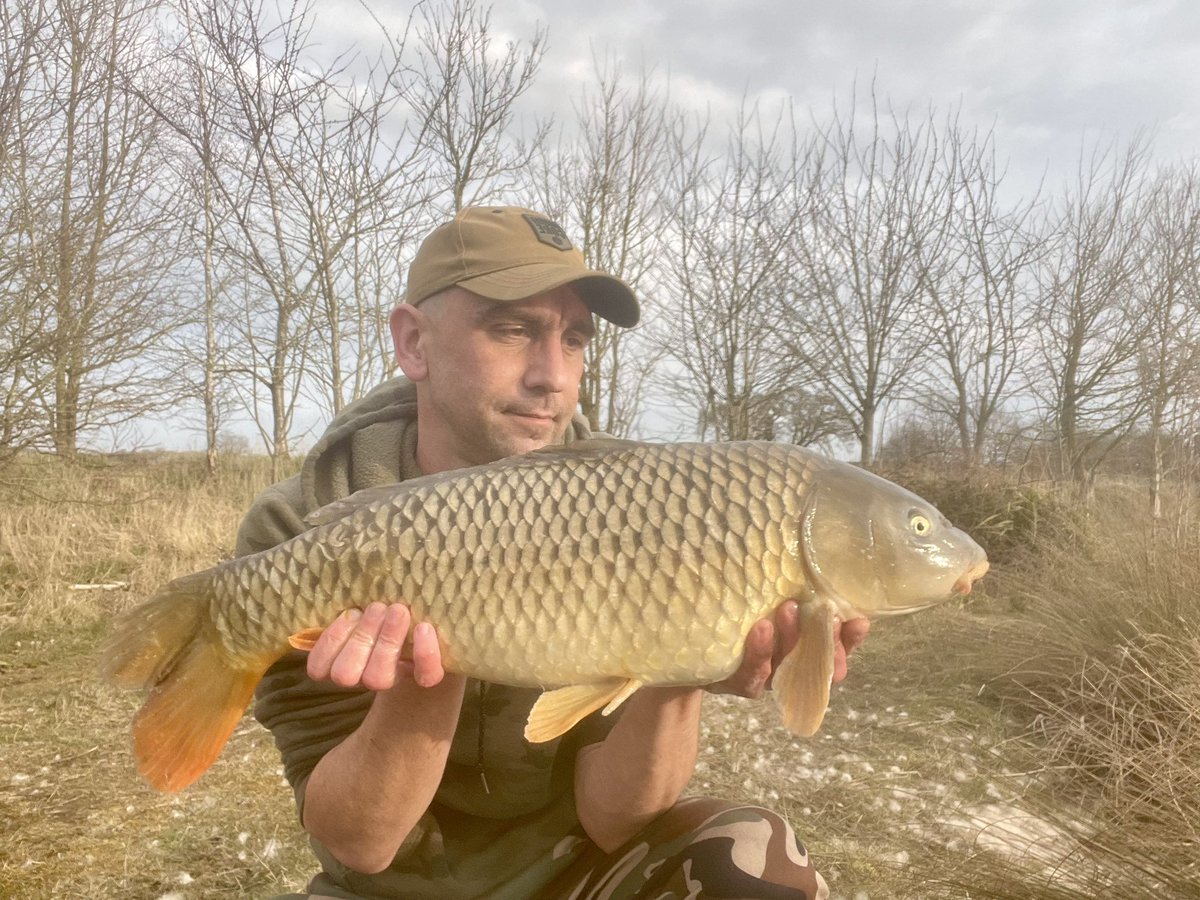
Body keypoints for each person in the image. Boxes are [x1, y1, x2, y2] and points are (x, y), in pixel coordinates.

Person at [236, 206, 870, 899]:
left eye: (574, 339)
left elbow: (614, 817)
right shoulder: (304, 529)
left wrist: (681, 663)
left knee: (757, 859)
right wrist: (436, 649)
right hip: (386, 887)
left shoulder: (634, 507)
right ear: (414, 342)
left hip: (576, 875)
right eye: (513, 329)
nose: (553, 376)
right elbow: (360, 842)